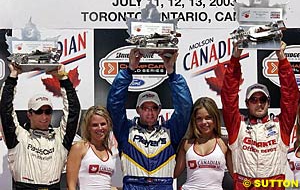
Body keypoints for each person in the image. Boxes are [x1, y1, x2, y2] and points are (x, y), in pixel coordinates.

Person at [107, 48, 193, 190]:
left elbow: (185, 107)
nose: (150, 112)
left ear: (159, 110)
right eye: (145, 108)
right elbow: (114, 104)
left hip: (163, 185)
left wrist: (171, 73)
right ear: (137, 110)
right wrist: (129, 70)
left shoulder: (171, 131)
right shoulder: (126, 130)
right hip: (133, 185)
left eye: (154, 108)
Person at [221, 41, 299, 190]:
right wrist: (235, 58)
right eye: (254, 100)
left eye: (263, 99)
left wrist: (281, 58)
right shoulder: (238, 126)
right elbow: (228, 97)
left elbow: (290, 97)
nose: (259, 103)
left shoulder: (280, 125)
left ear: (269, 103)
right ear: (247, 103)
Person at [0, 63, 81, 189]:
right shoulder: (18, 136)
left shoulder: (60, 138)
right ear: (29, 114)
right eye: (38, 111)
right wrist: (12, 77)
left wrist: (63, 79)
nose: (44, 116)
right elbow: (4, 110)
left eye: (47, 112)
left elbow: (73, 112)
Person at [174, 97, 231, 190]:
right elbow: (174, 174)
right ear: (194, 121)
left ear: (215, 118)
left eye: (208, 117)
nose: (204, 122)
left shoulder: (223, 143)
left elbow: (236, 175)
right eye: (199, 119)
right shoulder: (187, 143)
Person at [66, 105, 122, 190]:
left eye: (103, 124)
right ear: (88, 128)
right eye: (95, 125)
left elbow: (116, 185)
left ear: (108, 125)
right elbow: (71, 186)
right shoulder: (79, 148)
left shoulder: (112, 152)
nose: (100, 128)